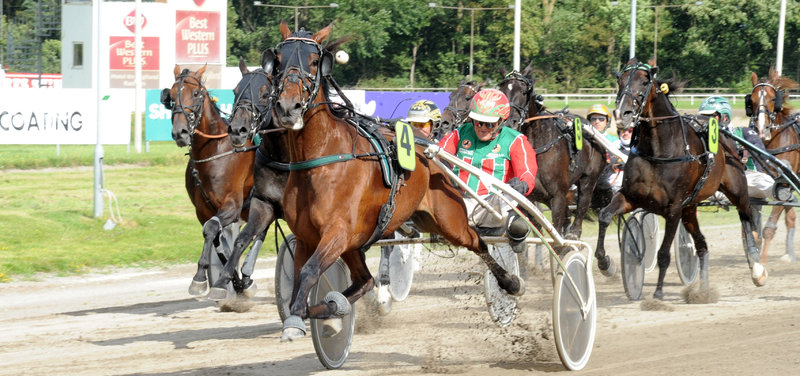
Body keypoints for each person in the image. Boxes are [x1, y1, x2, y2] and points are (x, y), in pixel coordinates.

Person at [438, 88, 538, 253]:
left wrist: (523, 186)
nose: (482, 127)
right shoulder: (460, 133)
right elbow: (440, 153)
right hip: (460, 204)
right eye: (478, 122)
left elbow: (527, 172)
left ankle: (516, 228)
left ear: (501, 121)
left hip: (494, 206)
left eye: (489, 124)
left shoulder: (515, 140)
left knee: (510, 192)